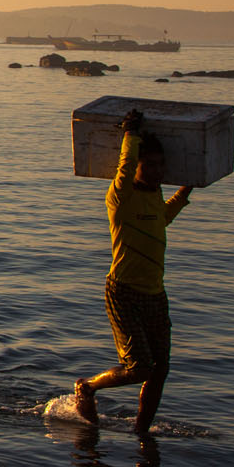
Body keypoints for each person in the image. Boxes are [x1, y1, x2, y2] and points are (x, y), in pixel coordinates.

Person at [74, 110, 195, 435]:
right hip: (124, 291)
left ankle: (142, 433)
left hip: (155, 293)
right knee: (139, 367)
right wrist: (131, 134)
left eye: (160, 165)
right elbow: (125, 167)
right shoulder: (120, 197)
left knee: (160, 369)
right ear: (137, 166)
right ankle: (87, 387)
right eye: (151, 165)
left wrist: (183, 194)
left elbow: (160, 220)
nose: (158, 172)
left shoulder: (153, 195)